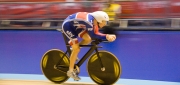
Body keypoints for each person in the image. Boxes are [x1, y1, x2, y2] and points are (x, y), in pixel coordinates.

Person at [61, 11, 116, 81]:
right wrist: (107, 36)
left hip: (76, 25)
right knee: (77, 49)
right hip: (67, 26)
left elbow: (95, 33)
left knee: (88, 39)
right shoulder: (89, 22)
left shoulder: (94, 21)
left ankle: (72, 49)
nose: (105, 24)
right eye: (104, 22)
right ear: (99, 20)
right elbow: (94, 35)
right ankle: (70, 71)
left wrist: (106, 37)